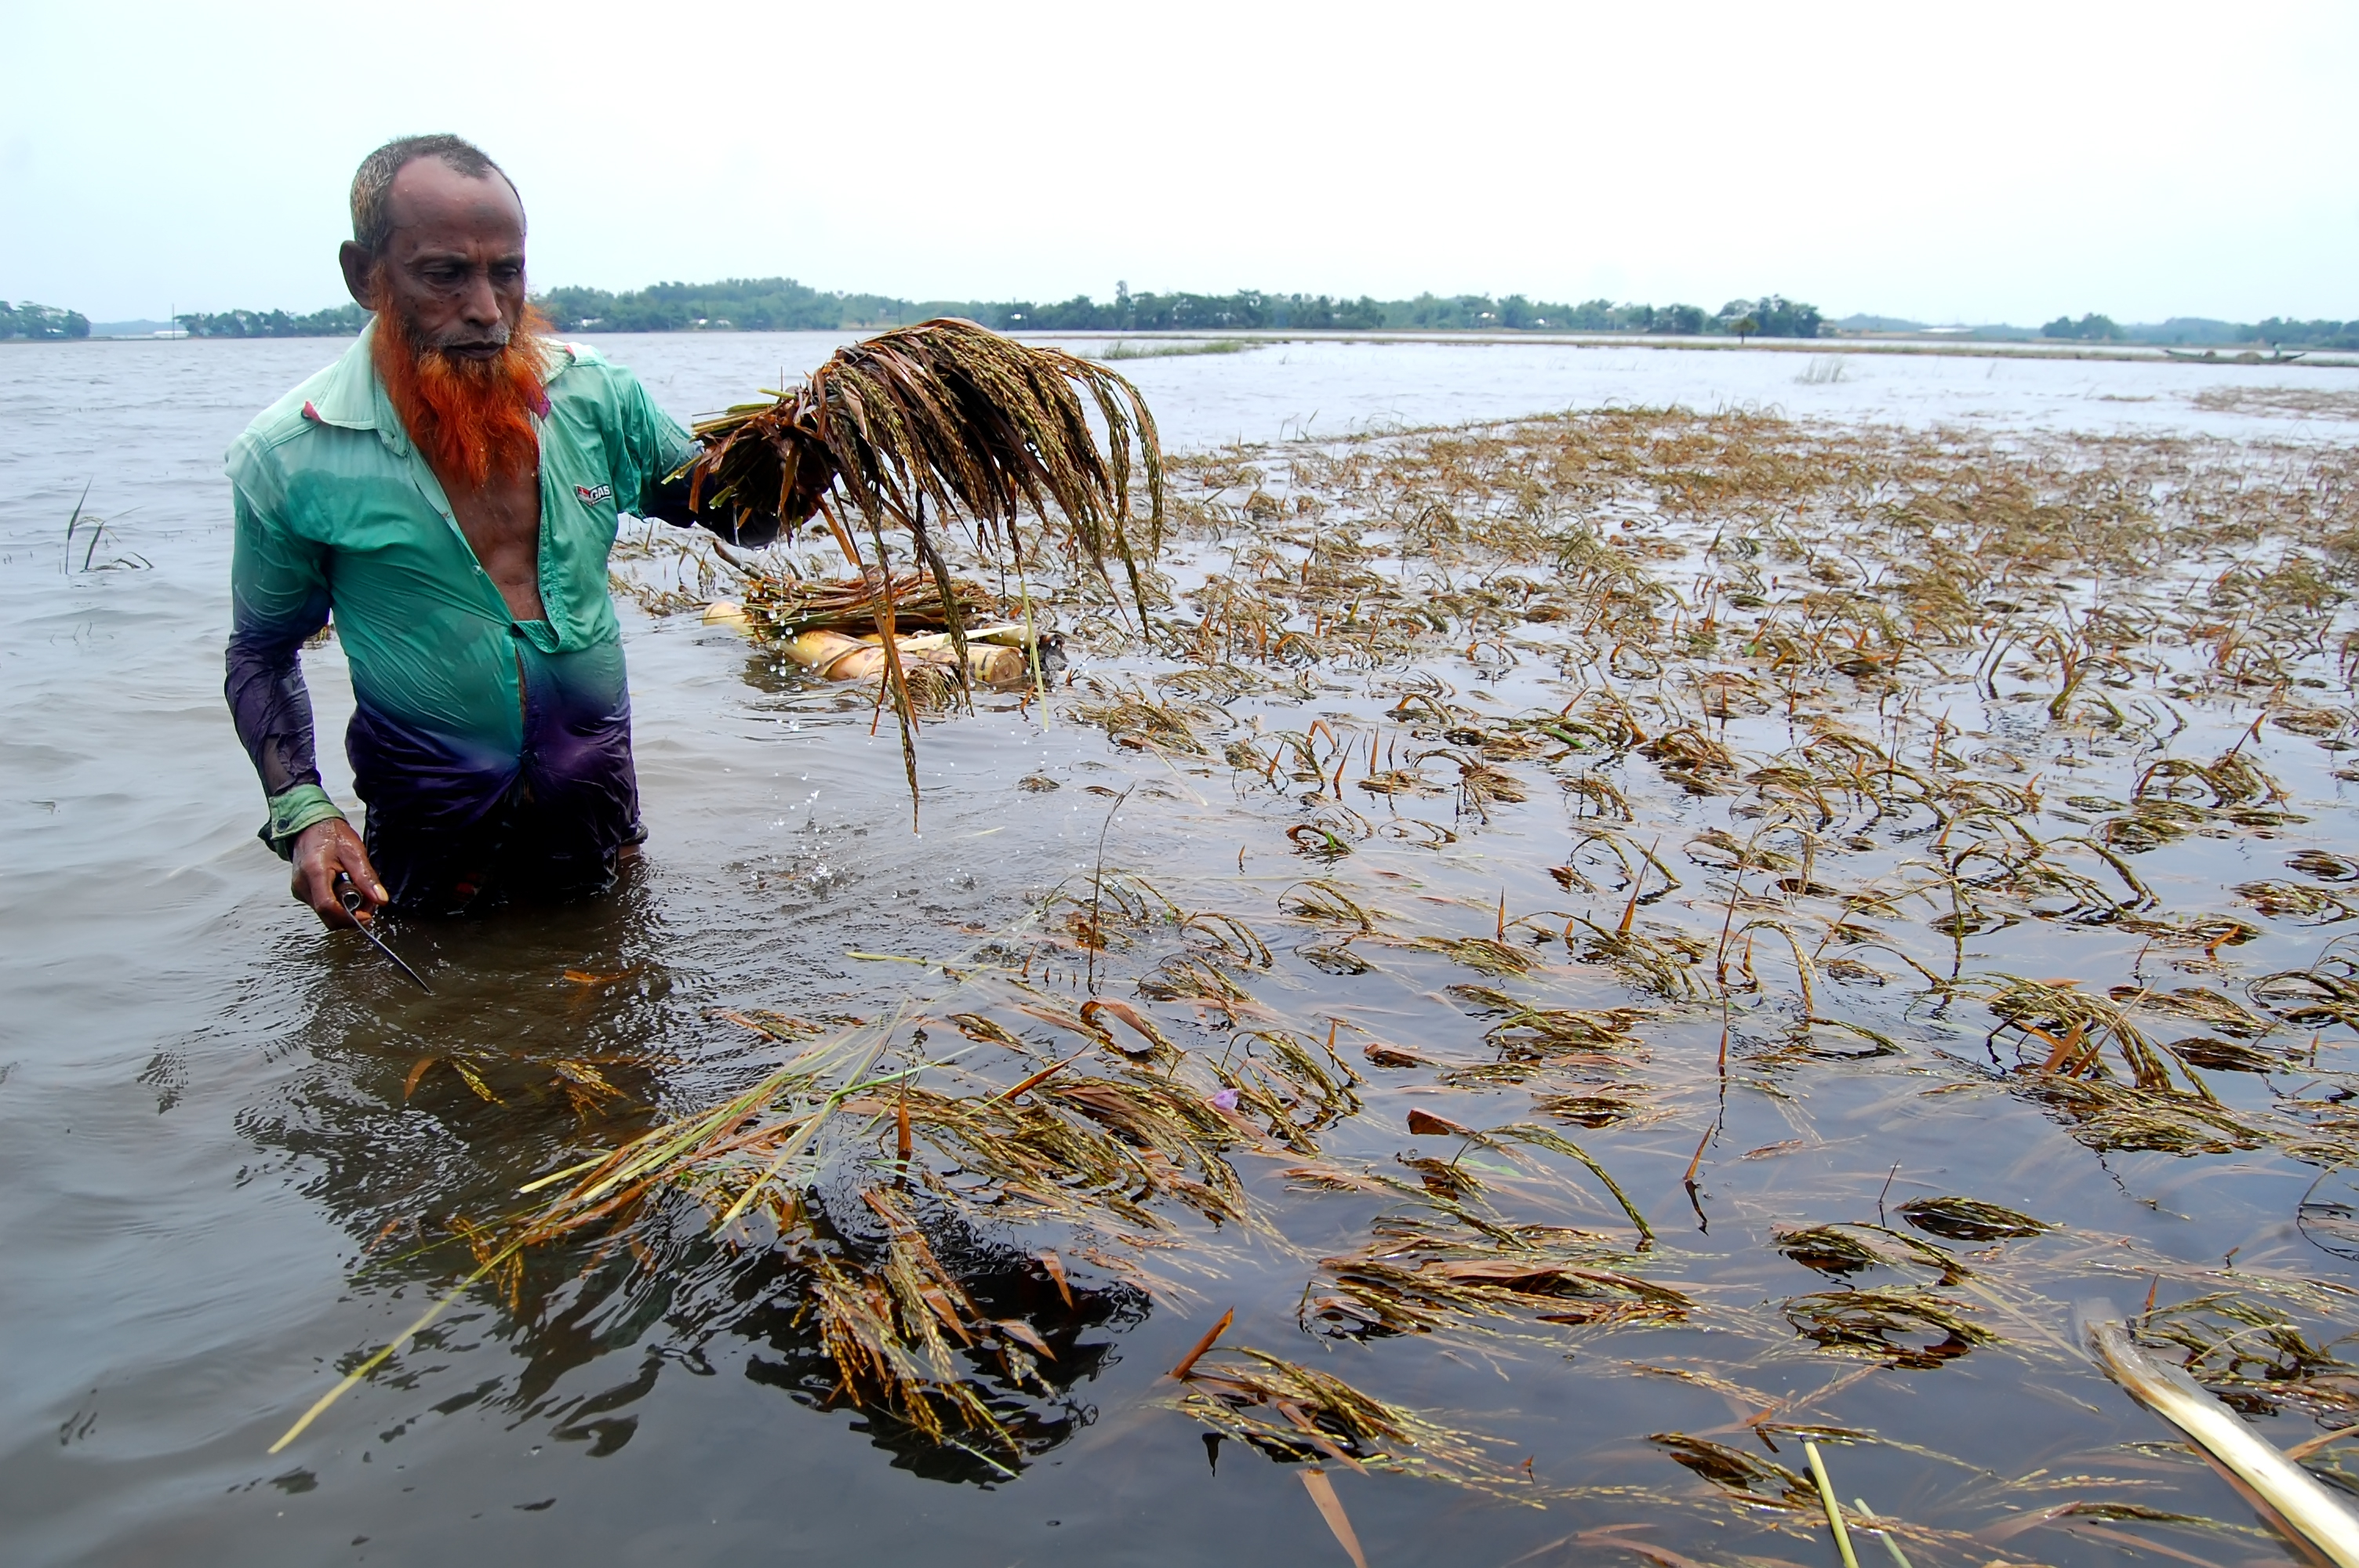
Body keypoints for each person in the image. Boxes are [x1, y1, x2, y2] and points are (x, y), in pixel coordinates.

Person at [224, 135, 771, 927]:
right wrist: (305, 811)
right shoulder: (294, 454)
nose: (485, 308)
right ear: (364, 276)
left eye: (505, 271)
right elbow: (259, 652)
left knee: (617, 995)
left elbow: (733, 514)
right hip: (428, 827)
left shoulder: (597, 399)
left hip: (595, 810)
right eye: (444, 274)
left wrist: (821, 447)